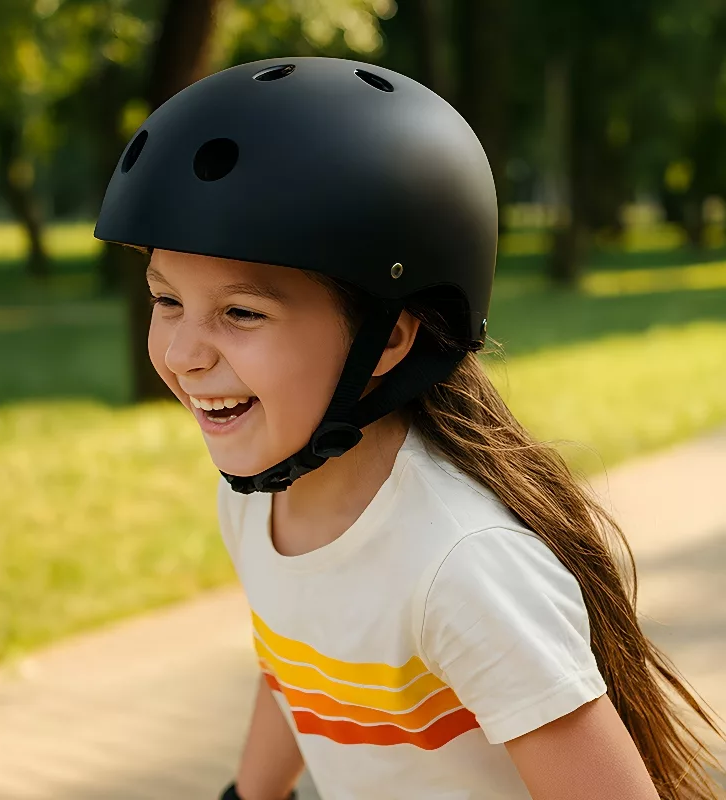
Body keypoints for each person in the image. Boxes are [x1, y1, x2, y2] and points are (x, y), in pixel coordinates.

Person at [95, 57, 725, 800]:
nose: (182, 354)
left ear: (390, 339)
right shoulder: (258, 497)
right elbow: (299, 667)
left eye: (241, 312)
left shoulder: (461, 567)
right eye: (165, 301)